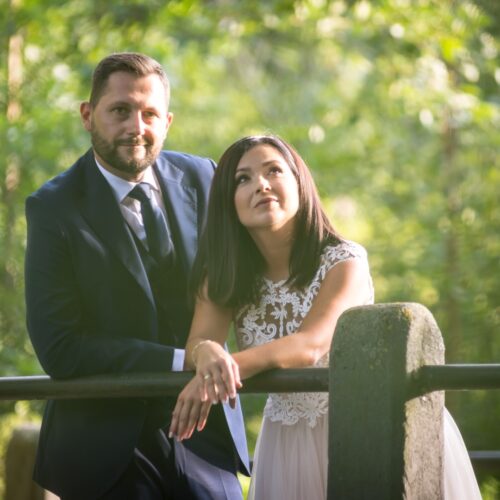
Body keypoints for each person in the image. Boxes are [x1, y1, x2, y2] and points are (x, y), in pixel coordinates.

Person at [168, 135, 482, 500]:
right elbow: (199, 340)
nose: (261, 185)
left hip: (366, 427)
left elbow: (310, 346)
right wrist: (206, 353)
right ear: (228, 200)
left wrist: (218, 374)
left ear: (299, 183)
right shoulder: (226, 275)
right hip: (286, 442)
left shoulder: (344, 260)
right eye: (243, 179)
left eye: (274, 171)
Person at [24, 52, 249, 500]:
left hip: (206, 434)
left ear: (168, 121)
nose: (136, 126)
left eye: (149, 114)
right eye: (120, 110)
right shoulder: (53, 207)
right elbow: (60, 348)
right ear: (88, 115)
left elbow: (251, 265)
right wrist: (180, 360)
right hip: (105, 446)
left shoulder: (204, 176)